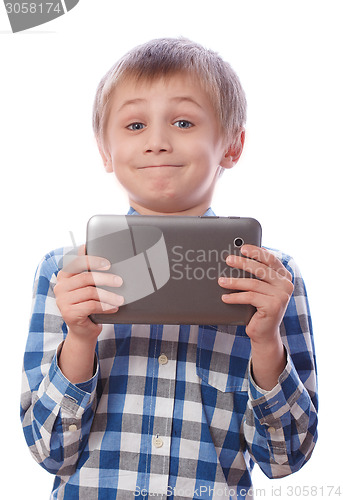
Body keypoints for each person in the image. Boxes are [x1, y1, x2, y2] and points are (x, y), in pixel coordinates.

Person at [20, 38, 318, 500]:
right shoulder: (66, 274)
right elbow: (49, 450)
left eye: (183, 121)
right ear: (105, 150)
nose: (157, 142)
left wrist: (266, 340)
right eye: (135, 124)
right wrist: (79, 338)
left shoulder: (271, 280)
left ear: (233, 145)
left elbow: (286, 458)